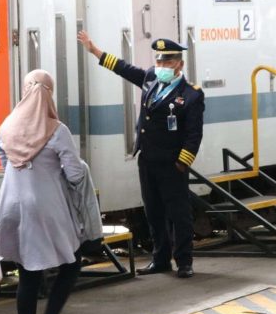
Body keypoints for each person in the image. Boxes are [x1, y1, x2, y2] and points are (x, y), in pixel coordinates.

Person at [77, 31, 204, 278]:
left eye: (167, 62)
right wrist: (95, 51)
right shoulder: (150, 79)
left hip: (172, 163)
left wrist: (182, 162)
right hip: (147, 160)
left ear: (179, 64)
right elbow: (124, 69)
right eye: (159, 61)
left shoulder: (191, 94)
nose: (161, 66)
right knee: (153, 211)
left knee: (179, 213)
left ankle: (184, 261)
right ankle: (161, 259)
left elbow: (193, 134)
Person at [0, 69, 87, 314]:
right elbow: (74, 174)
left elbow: (3, 160)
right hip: (44, 209)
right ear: (49, 93)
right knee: (72, 262)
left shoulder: (7, 126)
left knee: (28, 273)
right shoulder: (56, 129)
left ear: (25, 91)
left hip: (10, 207)